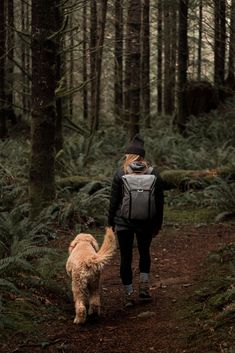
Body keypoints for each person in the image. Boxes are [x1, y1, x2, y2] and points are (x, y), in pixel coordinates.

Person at [108, 134, 164, 307]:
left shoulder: (120, 173)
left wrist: (110, 223)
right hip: (146, 222)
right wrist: (157, 224)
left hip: (123, 222)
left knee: (126, 257)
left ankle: (129, 294)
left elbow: (114, 201)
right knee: (144, 253)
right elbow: (160, 202)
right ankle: (144, 289)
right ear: (142, 156)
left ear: (128, 155)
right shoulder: (154, 173)